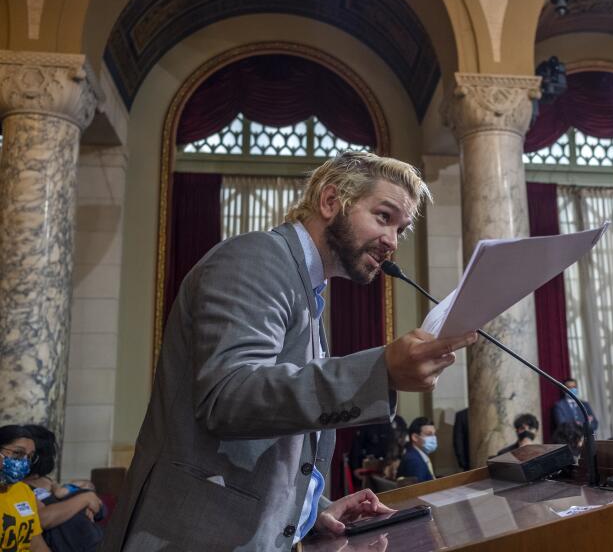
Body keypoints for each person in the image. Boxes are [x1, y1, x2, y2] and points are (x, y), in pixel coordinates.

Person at [102, 152, 478, 551]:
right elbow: (228, 395)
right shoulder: (258, 258)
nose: (392, 241)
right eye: (383, 217)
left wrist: (311, 509)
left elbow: (268, 442)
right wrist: (380, 371)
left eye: (401, 229)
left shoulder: (309, 290)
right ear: (331, 201)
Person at [23, 425, 103, 552]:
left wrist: (89, 501)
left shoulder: (50, 482)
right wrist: (84, 499)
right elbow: (41, 519)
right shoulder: (20, 488)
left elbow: (97, 507)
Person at [0, 425, 50, 551]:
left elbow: (36, 543)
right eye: (18, 453)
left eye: (29, 457)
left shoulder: (23, 491)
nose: (24, 461)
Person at [396, 417, 436, 483]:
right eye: (429, 434)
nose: (434, 438)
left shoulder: (416, 454)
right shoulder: (414, 461)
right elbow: (421, 489)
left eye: (434, 434)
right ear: (415, 437)